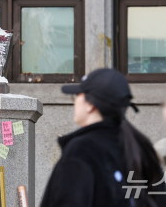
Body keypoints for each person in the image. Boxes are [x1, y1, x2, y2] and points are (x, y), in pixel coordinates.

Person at [40, 68, 166, 207]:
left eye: (76, 96)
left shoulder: (82, 150)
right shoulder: (140, 149)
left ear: (90, 105)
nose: (75, 102)